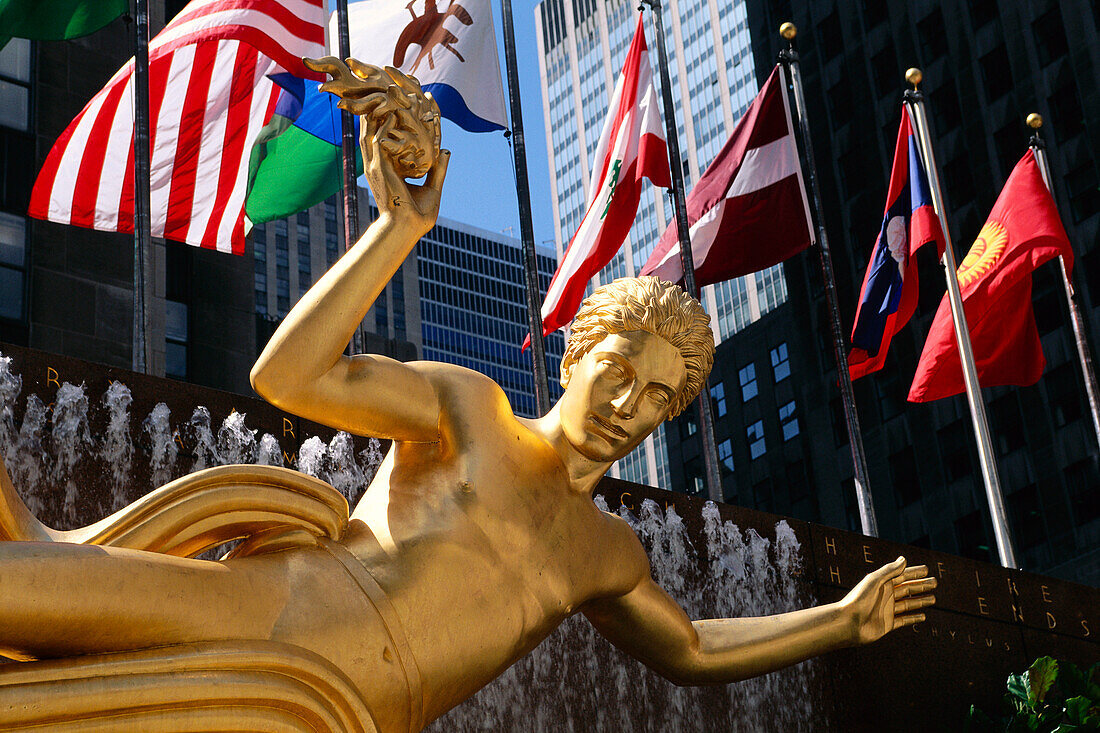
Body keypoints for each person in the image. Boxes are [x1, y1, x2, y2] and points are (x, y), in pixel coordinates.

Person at [0, 62, 935, 733]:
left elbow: (689, 648)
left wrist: (839, 620)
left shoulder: (606, 552)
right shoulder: (469, 411)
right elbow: (287, 377)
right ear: (574, 360)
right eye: (618, 372)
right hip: (271, 611)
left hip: (358, 713)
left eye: (656, 396)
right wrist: (400, 229)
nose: (629, 403)